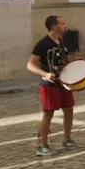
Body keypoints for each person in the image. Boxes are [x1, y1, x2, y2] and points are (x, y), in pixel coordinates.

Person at [28, 14, 75, 157]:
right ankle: (42, 145)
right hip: (49, 84)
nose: (65, 25)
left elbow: (65, 60)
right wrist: (45, 74)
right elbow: (30, 65)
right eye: (62, 23)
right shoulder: (43, 44)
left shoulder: (62, 41)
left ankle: (67, 139)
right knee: (48, 114)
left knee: (69, 109)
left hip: (63, 83)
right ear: (54, 26)